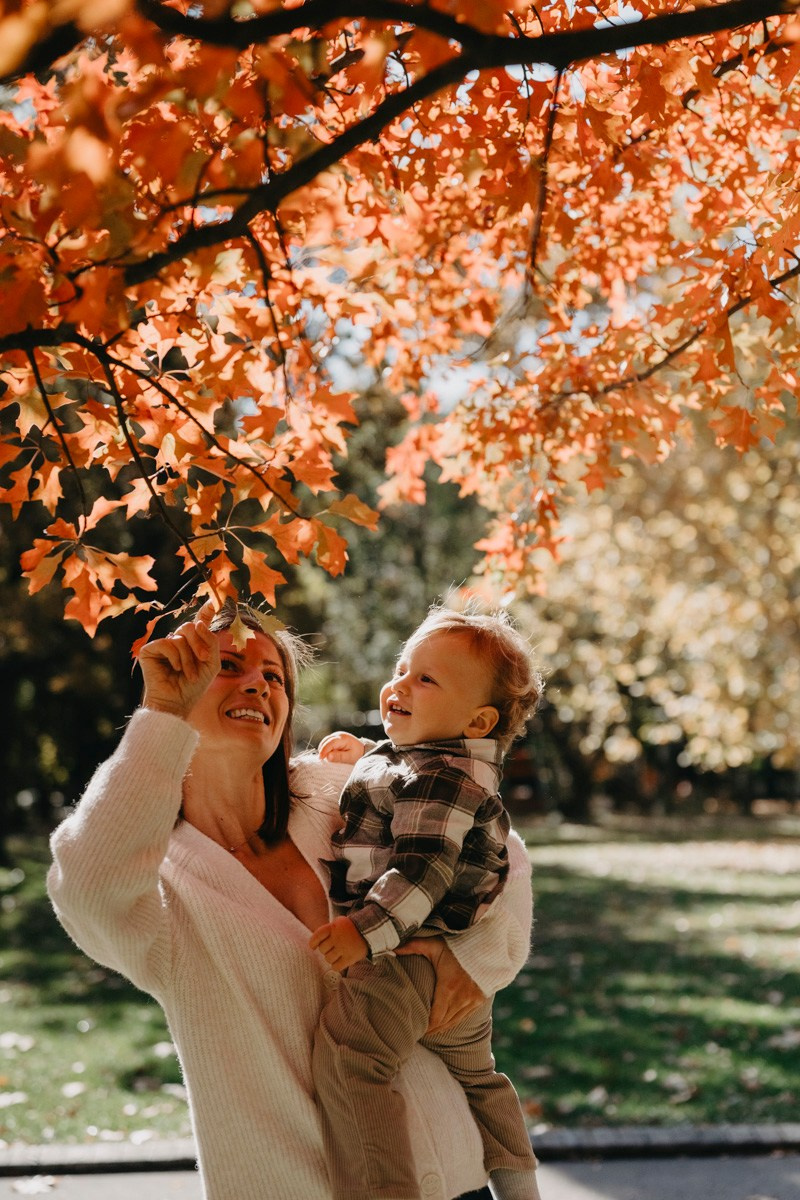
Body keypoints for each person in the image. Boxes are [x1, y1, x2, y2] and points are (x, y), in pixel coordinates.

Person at [46, 599, 537, 1200]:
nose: (257, 681)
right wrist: (160, 715)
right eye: (229, 665)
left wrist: (470, 962)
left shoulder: (339, 793)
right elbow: (89, 888)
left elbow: (495, 847)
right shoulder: (164, 886)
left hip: (462, 1180)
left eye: (273, 675)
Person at [310, 606, 543, 1200]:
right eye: (402, 669)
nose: (399, 686)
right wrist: (364, 755)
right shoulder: (439, 767)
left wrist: (365, 931)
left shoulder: (439, 781)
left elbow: (422, 870)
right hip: (451, 963)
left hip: (405, 954)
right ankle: (519, 1185)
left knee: (350, 1056)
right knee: (480, 1078)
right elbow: (406, 781)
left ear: (478, 718)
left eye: (426, 680)